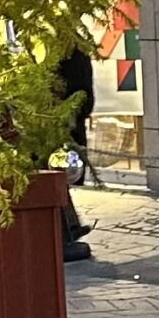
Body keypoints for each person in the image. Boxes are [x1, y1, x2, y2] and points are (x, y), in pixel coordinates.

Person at [54, 46, 96, 264]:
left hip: (65, 130)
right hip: (62, 129)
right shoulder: (74, 56)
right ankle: (68, 227)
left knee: (60, 181)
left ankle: (68, 227)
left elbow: (84, 99)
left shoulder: (73, 57)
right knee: (59, 182)